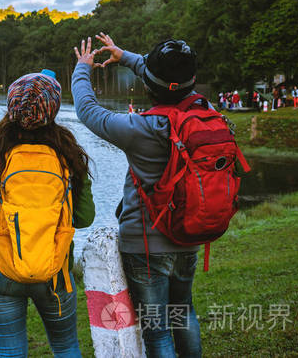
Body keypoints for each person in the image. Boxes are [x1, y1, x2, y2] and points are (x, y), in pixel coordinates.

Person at [72, 33, 203, 358]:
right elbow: (169, 81)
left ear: (149, 86)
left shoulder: (140, 128)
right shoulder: (204, 113)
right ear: (193, 81)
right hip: (190, 233)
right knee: (184, 311)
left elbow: (87, 109)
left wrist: (82, 69)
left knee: (157, 329)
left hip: (146, 244)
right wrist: (126, 55)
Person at [0, 69, 95, 357]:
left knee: (11, 353)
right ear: (54, 108)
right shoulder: (68, 153)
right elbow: (84, 218)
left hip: (3, 271)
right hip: (55, 272)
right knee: (67, 346)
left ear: (12, 106)